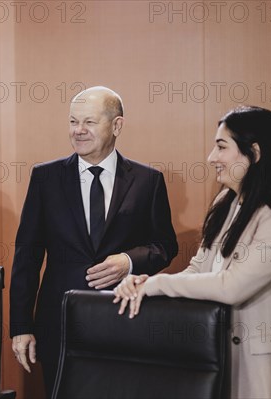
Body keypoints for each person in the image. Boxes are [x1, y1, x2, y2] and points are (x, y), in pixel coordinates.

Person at [114, 106, 271, 399]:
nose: (212, 158)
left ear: (255, 153)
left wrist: (156, 285)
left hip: (267, 371)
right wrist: (143, 282)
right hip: (216, 357)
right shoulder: (226, 202)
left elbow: (232, 287)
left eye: (221, 147)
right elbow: (198, 271)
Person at [10, 86, 178, 396]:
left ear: (117, 126)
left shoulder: (147, 181)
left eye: (89, 122)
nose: (78, 131)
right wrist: (21, 326)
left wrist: (128, 261)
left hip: (124, 319)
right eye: (73, 122)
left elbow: (165, 246)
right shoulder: (45, 178)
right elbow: (27, 255)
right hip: (59, 323)